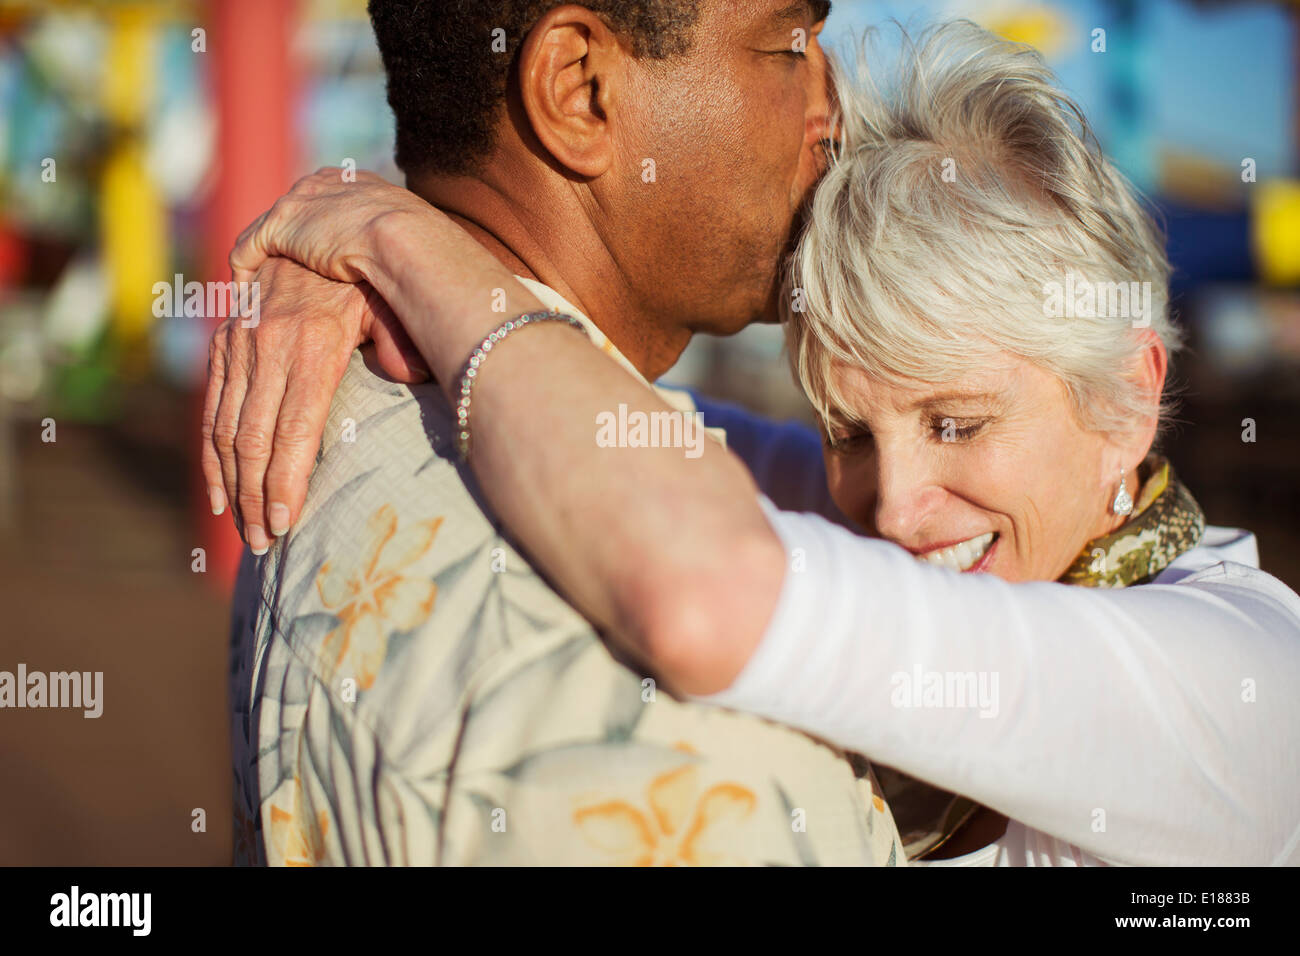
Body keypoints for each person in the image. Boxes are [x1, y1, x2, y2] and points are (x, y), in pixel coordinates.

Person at [211, 20, 1300, 865]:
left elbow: (704, 588)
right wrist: (357, 255)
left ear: (1127, 396)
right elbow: (612, 420)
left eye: (956, 423)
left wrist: (400, 244)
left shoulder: (1241, 685)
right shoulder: (935, 531)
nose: (891, 507)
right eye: (847, 432)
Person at [214, 0, 912, 866]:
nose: (833, 109)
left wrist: (391, 239)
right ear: (580, 90)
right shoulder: (675, 725)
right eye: (788, 46)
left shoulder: (326, 410)